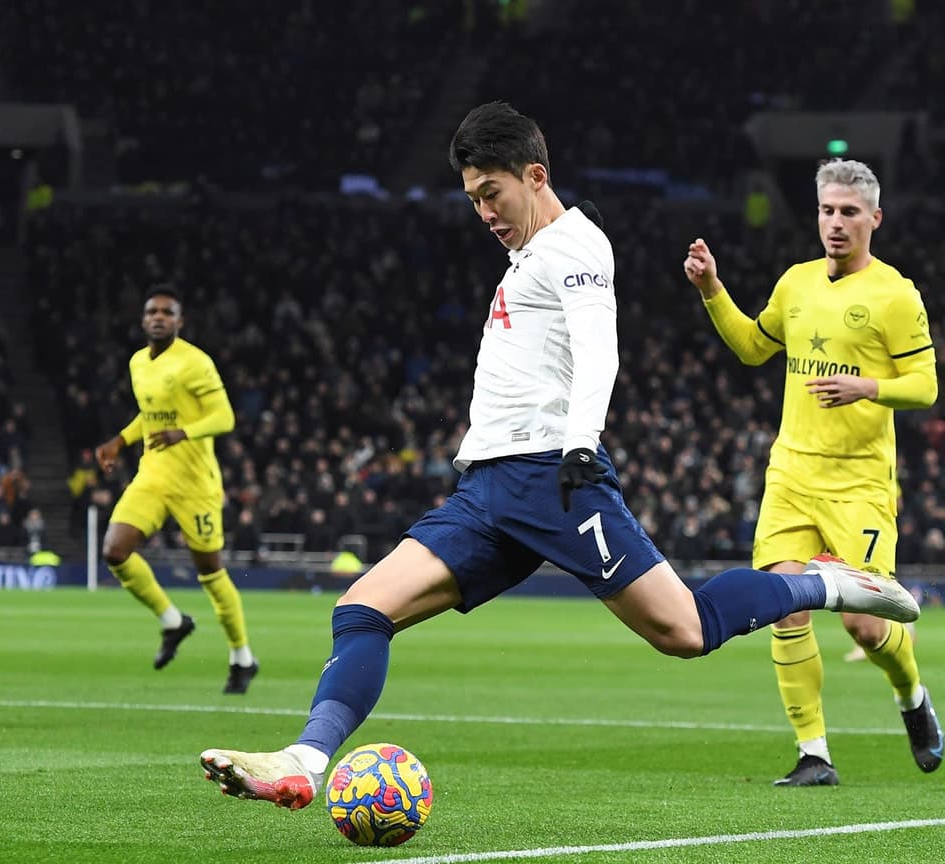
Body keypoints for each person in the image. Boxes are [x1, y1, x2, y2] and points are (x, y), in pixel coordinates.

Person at [197, 102, 920, 809]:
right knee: (361, 609)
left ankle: (827, 585)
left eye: (492, 192)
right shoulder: (528, 256)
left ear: (535, 175)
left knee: (687, 631)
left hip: (552, 475)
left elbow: (598, 346)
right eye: (473, 197)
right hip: (484, 489)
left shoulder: (574, 247)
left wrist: (580, 442)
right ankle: (305, 761)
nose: (483, 211)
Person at [683, 159, 941, 786]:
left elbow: (926, 387)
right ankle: (814, 754)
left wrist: (867, 386)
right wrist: (713, 290)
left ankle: (912, 698)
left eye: (849, 212)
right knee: (784, 609)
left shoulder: (896, 295)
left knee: (866, 622)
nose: (836, 222)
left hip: (859, 483)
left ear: (874, 219)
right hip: (792, 473)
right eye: (827, 210)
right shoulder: (795, 283)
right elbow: (752, 347)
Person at [95, 287, 258, 694]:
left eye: (168, 312)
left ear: (179, 322)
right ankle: (173, 621)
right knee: (115, 551)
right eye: (152, 311)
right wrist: (120, 440)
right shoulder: (138, 362)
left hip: (194, 484)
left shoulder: (195, 362)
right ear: (143, 319)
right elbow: (149, 415)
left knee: (211, 573)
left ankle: (242, 656)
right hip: (152, 475)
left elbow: (224, 417)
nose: (159, 317)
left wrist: (183, 432)